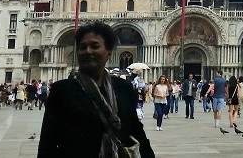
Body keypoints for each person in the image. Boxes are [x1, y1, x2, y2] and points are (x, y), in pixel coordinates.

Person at [38, 21, 155, 157]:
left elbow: (136, 131)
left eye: (95, 46)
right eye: (82, 47)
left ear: (109, 52)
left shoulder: (123, 88)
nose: (88, 51)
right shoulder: (62, 90)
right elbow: (48, 142)